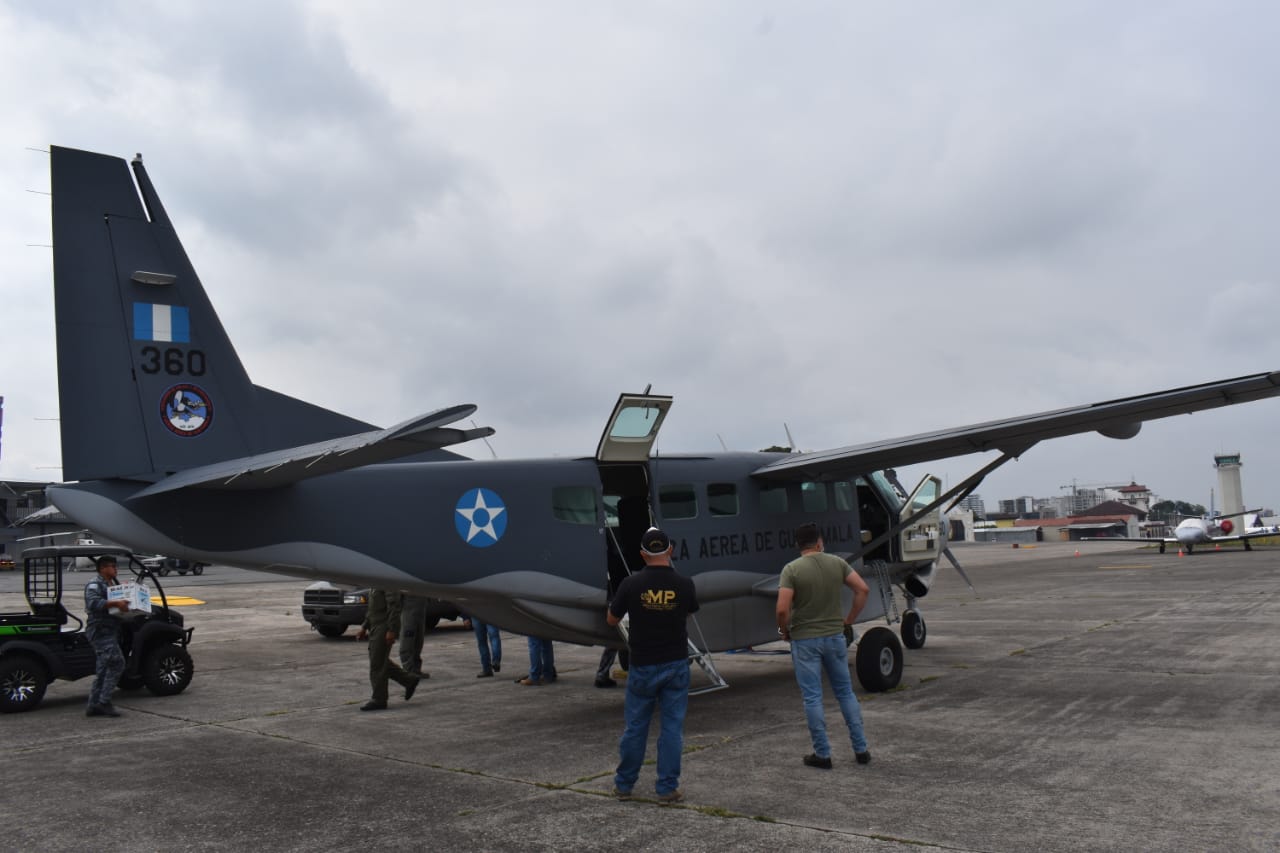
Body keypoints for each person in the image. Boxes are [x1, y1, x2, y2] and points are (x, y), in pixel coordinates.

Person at [608, 526, 699, 803]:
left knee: (636, 727)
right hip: (675, 663)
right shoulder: (685, 584)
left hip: (643, 664)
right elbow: (691, 610)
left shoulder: (630, 584)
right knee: (672, 728)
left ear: (642, 554)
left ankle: (624, 785)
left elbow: (612, 620)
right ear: (670, 550)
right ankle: (667, 788)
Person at [776, 522, 872, 769]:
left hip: (805, 639)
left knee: (812, 697)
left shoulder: (791, 570)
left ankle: (823, 753)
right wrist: (848, 620)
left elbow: (782, 609)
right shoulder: (837, 563)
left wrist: (785, 631)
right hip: (834, 636)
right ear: (819, 542)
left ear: (799, 545)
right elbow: (862, 589)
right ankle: (861, 749)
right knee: (845, 692)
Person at [356, 588, 419, 711]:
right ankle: (409, 680)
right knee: (380, 661)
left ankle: (379, 699)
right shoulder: (375, 584)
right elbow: (372, 609)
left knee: (377, 664)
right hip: (375, 626)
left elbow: (394, 607)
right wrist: (364, 627)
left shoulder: (387, 584)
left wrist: (391, 630)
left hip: (383, 627)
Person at [84, 555, 130, 717]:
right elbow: (92, 603)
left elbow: (115, 597)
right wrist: (115, 603)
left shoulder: (111, 584)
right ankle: (104, 702)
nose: (115, 569)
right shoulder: (95, 584)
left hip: (110, 631)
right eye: (112, 566)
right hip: (100, 631)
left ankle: (94, 705)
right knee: (117, 663)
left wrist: (124, 592)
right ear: (103, 568)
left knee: (103, 669)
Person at [398, 594, 430, 679]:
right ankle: (408, 670)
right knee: (408, 641)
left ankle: (416, 669)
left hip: (421, 609)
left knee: (418, 641)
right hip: (408, 611)